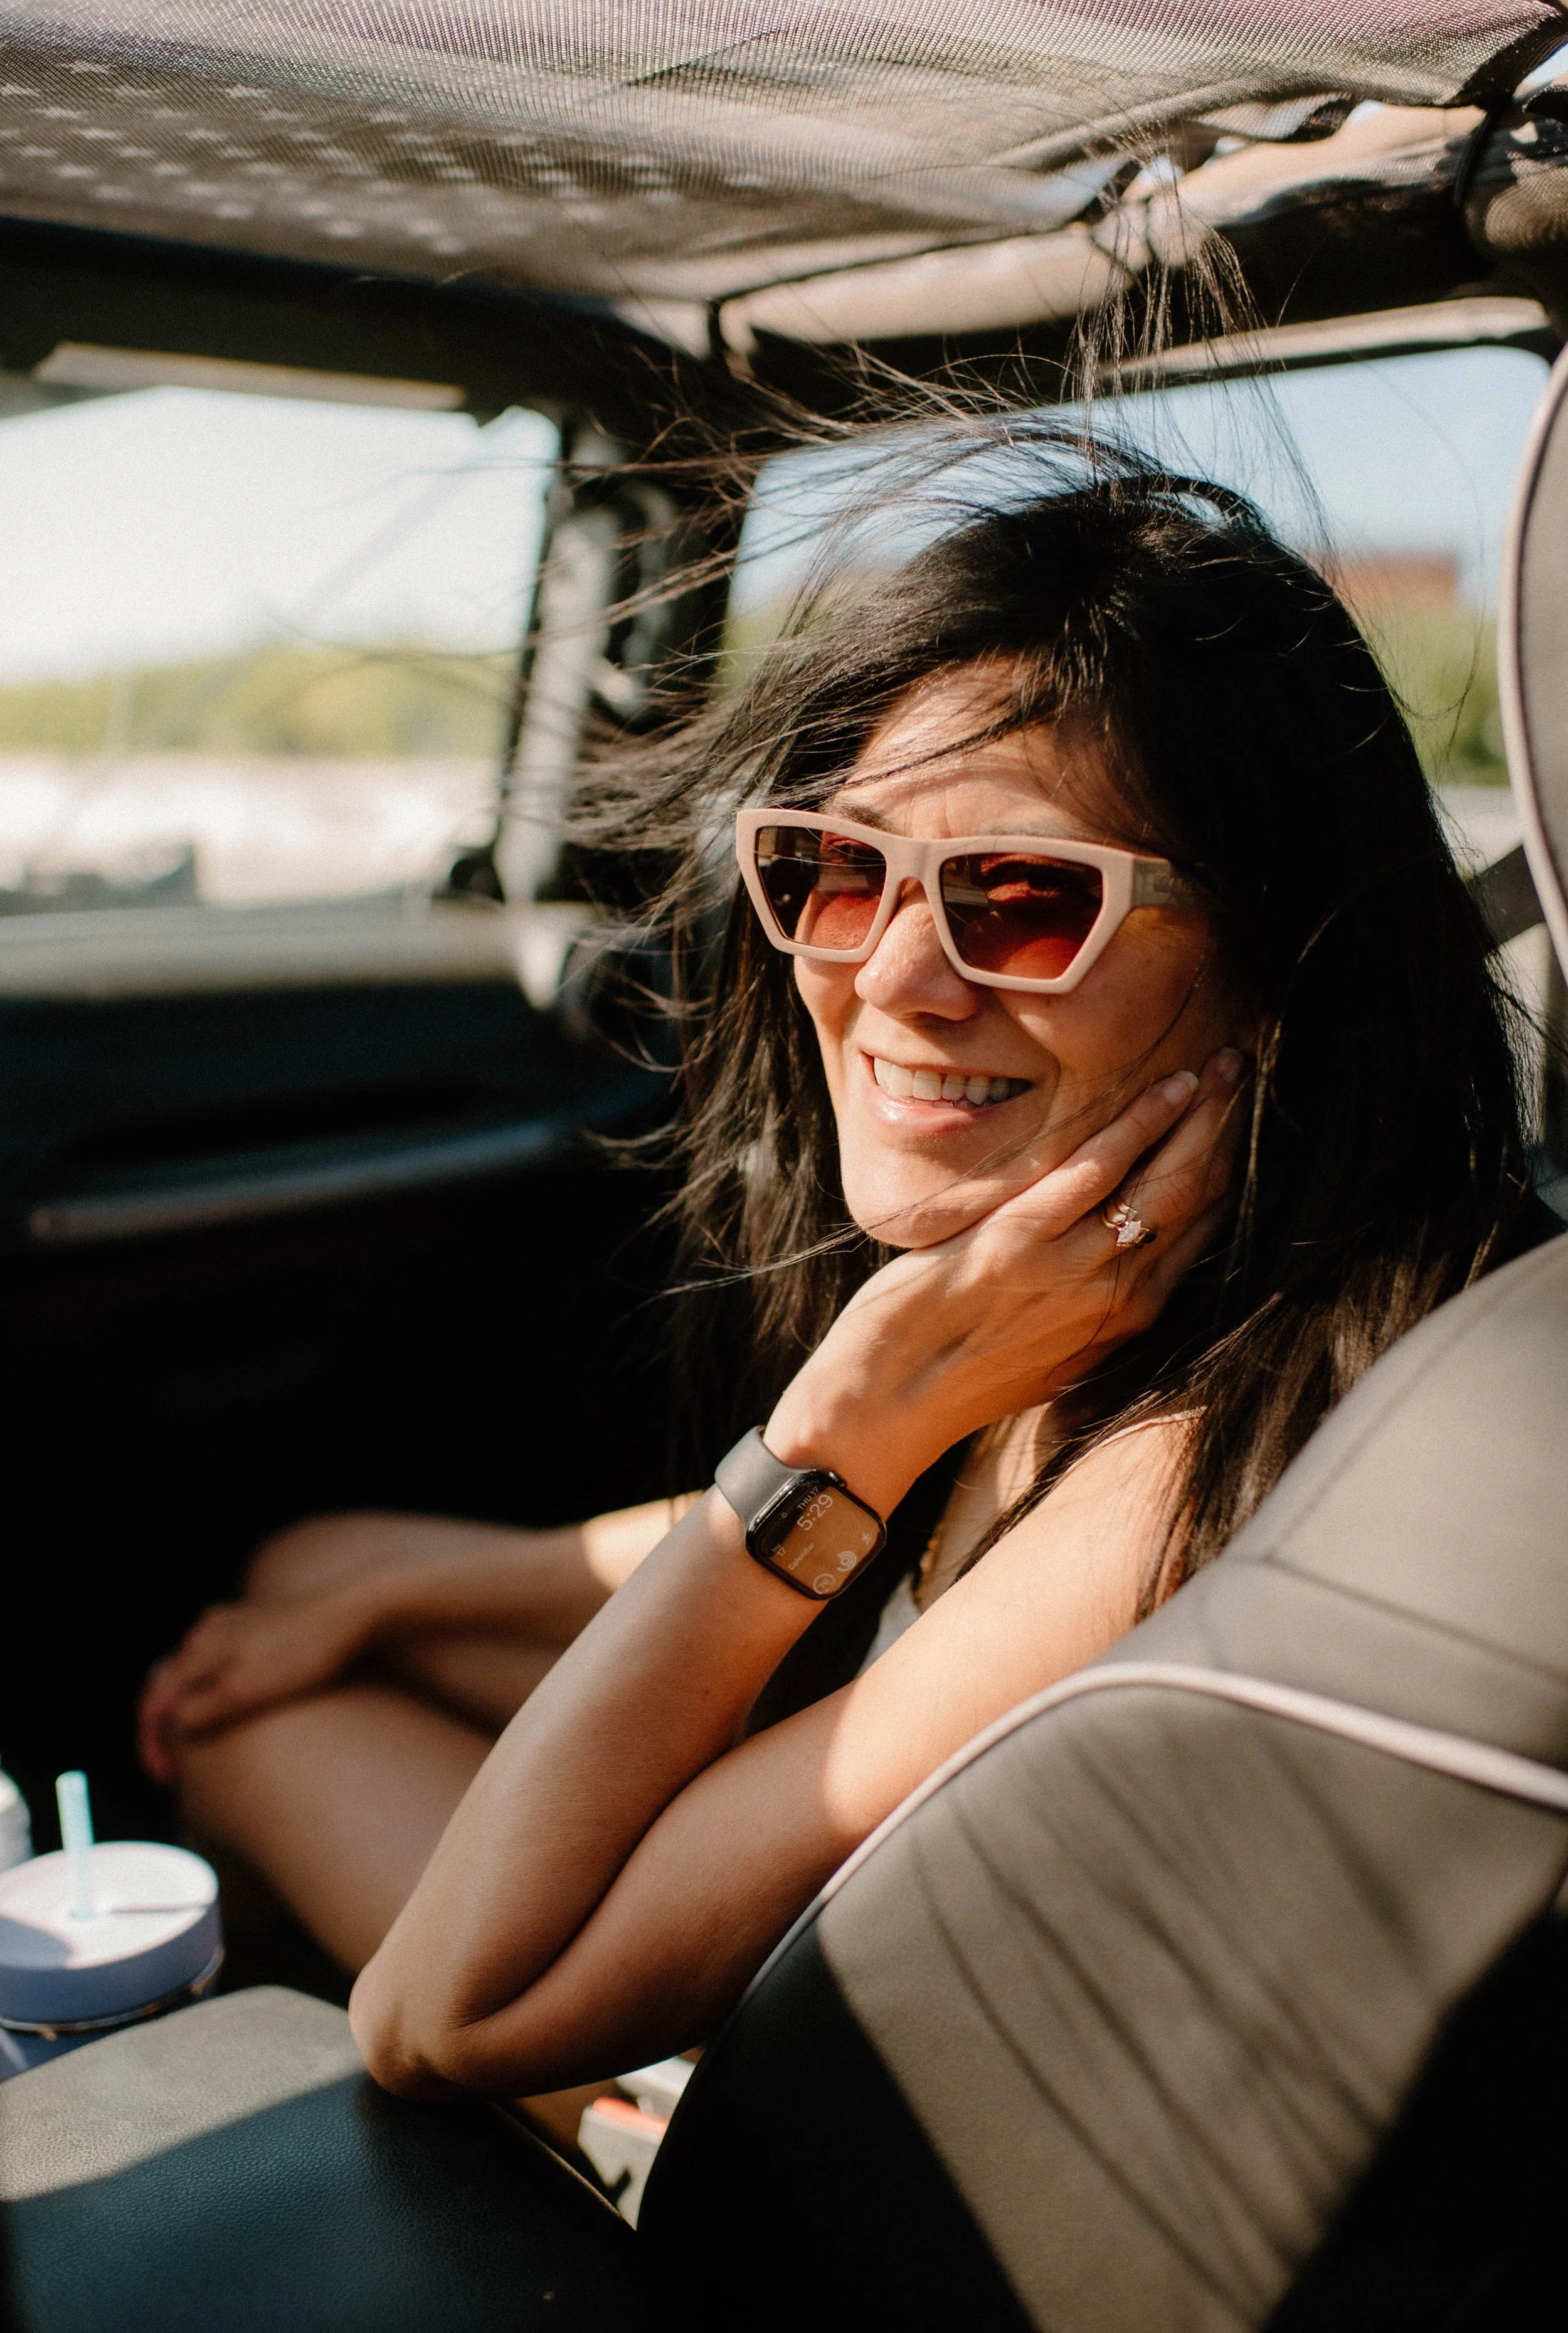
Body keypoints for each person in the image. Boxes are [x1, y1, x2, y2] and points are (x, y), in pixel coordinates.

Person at [139, 454, 1541, 2105]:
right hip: (856, 1907)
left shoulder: (1193, 1474)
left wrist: (840, 1433)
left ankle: (592, 2143)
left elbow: (450, 2014)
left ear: (1280, 963)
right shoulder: (1143, 1284)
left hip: (793, 2144)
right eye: (838, 867)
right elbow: (891, 1563)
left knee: (249, 1720)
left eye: (1021, 904)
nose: (883, 976)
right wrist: (389, 1599)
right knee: (314, 1574)